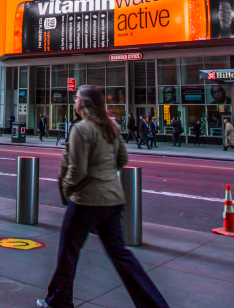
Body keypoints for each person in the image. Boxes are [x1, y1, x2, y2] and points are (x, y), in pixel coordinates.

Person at [38, 85, 170, 308]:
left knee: (68, 251)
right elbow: (122, 159)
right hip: (112, 200)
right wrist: (106, 177)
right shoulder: (111, 127)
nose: (74, 101)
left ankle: (59, 300)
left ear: (85, 102)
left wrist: (68, 189)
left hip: (86, 200)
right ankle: (154, 305)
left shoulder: (81, 129)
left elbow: (77, 169)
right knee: (122, 255)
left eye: (77, 97)